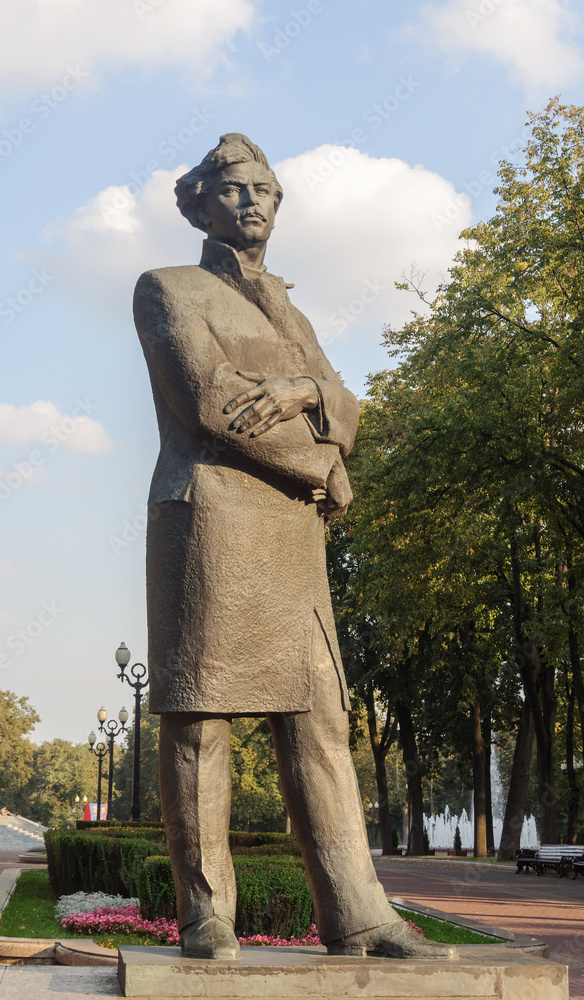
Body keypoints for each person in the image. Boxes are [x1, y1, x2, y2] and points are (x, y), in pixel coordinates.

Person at [133, 134, 456, 962]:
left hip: (292, 539)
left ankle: (360, 917)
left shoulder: (293, 311)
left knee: (320, 721)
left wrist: (305, 389)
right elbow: (212, 405)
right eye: (236, 190)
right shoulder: (167, 289)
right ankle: (206, 915)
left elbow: (348, 406)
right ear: (199, 202)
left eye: (267, 192)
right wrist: (327, 469)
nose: (255, 203)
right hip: (211, 522)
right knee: (201, 718)